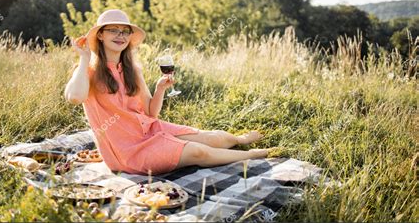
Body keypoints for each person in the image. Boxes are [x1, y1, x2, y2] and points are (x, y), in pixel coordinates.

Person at [64, 9, 275, 175]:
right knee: (197, 152)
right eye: (113, 30)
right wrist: (84, 58)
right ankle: (249, 155)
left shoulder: (131, 69)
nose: (120, 35)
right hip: (128, 152)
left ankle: (238, 140)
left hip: (151, 129)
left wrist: (160, 89)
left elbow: (150, 112)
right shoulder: (88, 72)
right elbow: (75, 97)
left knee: (215, 138)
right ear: (100, 35)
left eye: (125, 31)